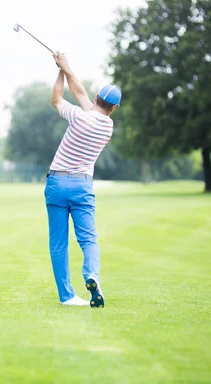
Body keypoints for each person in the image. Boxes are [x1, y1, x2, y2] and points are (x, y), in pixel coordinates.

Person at [46, 51, 121, 308]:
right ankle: (91, 275)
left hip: (56, 183)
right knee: (88, 239)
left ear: (97, 98)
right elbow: (80, 94)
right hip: (82, 186)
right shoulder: (107, 127)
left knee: (58, 242)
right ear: (113, 108)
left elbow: (57, 98)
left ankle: (66, 296)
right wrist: (66, 68)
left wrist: (60, 71)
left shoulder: (79, 116)